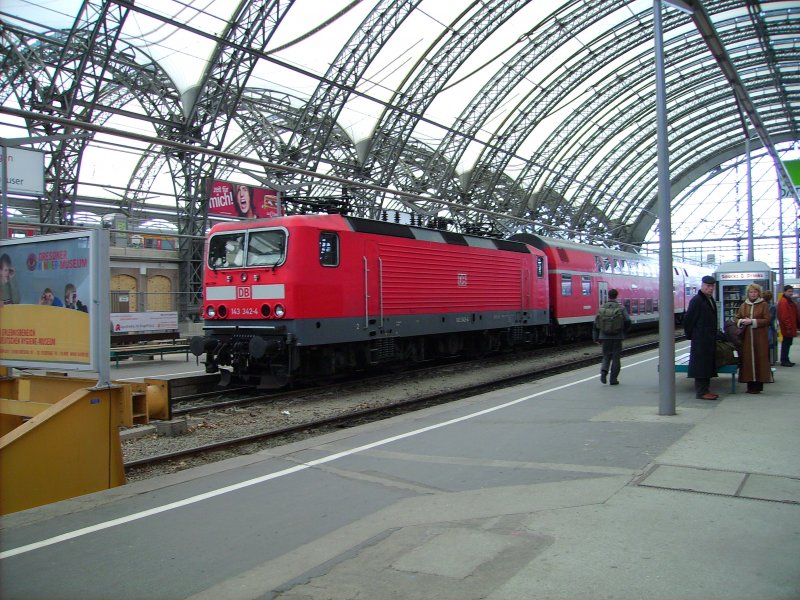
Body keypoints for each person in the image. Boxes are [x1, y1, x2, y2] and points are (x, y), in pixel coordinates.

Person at [683, 275, 720, 400]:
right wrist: (693, 335)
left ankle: (706, 390)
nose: (710, 289)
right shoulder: (697, 300)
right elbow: (688, 319)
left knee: (706, 365)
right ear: (702, 285)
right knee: (701, 366)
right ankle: (701, 392)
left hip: (708, 339)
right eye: (708, 286)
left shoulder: (709, 300)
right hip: (701, 339)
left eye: (712, 286)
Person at [735, 283, 773, 394]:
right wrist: (742, 321)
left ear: (758, 293)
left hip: (760, 337)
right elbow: (737, 318)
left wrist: (752, 321)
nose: (753, 294)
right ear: (748, 293)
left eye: (755, 292)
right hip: (747, 338)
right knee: (748, 360)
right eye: (751, 292)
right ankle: (749, 385)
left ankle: (758, 386)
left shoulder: (763, 305)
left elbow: (767, 320)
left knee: (760, 359)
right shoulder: (744, 305)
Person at [592, 288, 631, 385]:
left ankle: (604, 372)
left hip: (604, 337)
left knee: (606, 356)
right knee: (616, 358)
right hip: (617, 336)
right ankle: (613, 379)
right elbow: (628, 321)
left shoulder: (601, 308)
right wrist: (624, 332)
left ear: (608, 296)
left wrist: (595, 337)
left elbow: (596, 324)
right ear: (616, 296)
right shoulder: (621, 308)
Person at [777, 285, 798, 367]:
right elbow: (784, 316)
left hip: (790, 326)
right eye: (789, 291)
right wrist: (788, 327)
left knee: (788, 343)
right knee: (786, 343)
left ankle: (786, 359)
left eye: (791, 291)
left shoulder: (788, 301)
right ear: (784, 292)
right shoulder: (784, 302)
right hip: (787, 327)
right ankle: (784, 360)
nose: (791, 293)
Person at [762, 289, 776, 364]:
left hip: (761, 328)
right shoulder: (772, 307)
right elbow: (771, 319)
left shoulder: (760, 305)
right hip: (769, 328)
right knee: (768, 345)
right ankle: (768, 361)